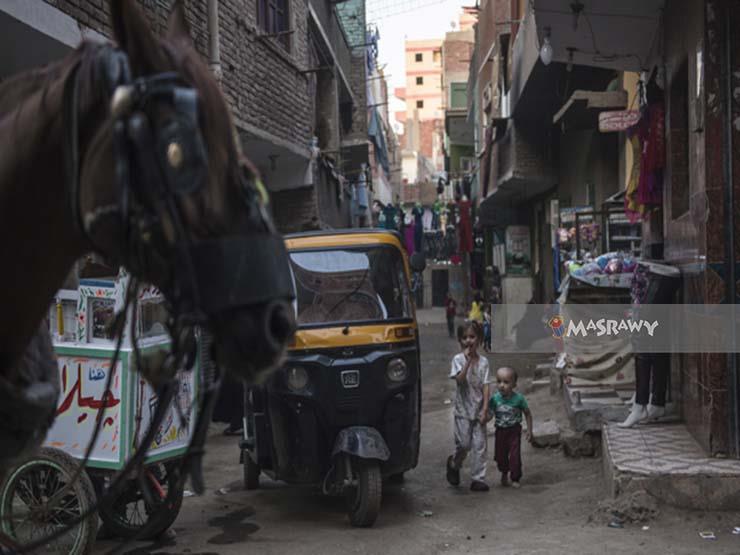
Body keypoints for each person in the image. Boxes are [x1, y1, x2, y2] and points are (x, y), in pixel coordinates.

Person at [446, 321, 491, 492]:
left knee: (480, 446)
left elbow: (486, 385)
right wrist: (467, 361)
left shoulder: (484, 362)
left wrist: (485, 408)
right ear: (460, 341)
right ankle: (454, 463)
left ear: (479, 339)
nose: (468, 341)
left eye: (472, 337)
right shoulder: (457, 360)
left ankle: (478, 478)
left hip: (479, 410)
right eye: (464, 337)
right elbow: (460, 380)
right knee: (464, 445)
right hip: (463, 411)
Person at [488, 367, 532, 488]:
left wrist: (529, 430)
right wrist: (483, 420)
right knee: (500, 456)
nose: (501, 385)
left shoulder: (519, 399)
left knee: (514, 455)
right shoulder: (495, 399)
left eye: (506, 382)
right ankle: (504, 472)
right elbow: (490, 414)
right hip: (500, 431)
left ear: (514, 384)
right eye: (499, 381)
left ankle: (515, 478)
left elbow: (527, 413)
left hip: (514, 431)